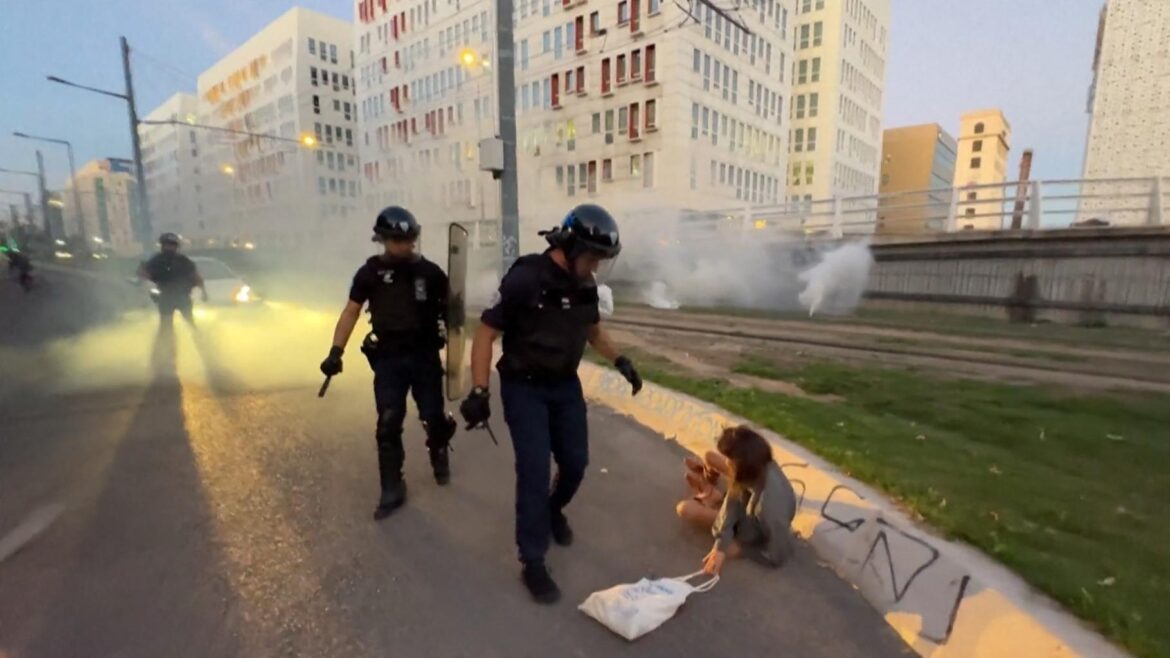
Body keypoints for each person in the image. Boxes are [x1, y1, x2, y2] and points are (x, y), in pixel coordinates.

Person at [459, 203, 643, 604]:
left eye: (600, 260)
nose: (596, 267)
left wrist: (621, 361)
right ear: (572, 246)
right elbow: (486, 333)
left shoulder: (585, 284)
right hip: (523, 386)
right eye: (592, 257)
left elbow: (592, 329)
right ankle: (533, 560)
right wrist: (478, 390)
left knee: (575, 464)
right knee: (533, 468)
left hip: (563, 385)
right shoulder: (526, 278)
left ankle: (553, 509)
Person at [320, 206, 456, 520]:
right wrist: (335, 351)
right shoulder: (369, 273)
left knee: (432, 416)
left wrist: (451, 328)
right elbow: (351, 311)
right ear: (382, 239)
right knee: (388, 422)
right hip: (389, 359)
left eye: (409, 239)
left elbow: (453, 311)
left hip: (424, 356)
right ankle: (392, 487)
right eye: (397, 240)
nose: (404, 246)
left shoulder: (431, 273)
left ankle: (438, 448)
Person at [675, 426, 798, 575]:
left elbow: (778, 554)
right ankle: (711, 493)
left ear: (742, 464)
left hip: (753, 528)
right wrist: (720, 544)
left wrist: (734, 548)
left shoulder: (768, 508)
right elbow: (734, 497)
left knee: (684, 509)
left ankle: (709, 496)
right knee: (709, 457)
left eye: (729, 459)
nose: (726, 462)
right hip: (750, 500)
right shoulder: (760, 462)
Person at [138, 233, 207, 331]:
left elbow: (195, 276)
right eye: (167, 245)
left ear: (176, 247)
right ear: (162, 246)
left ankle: (203, 342)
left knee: (190, 323)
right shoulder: (156, 260)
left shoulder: (183, 261)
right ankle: (166, 345)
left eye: (172, 245)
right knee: (166, 326)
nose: (169, 248)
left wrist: (203, 292)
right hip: (165, 297)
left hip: (182, 296)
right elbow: (144, 273)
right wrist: (146, 282)